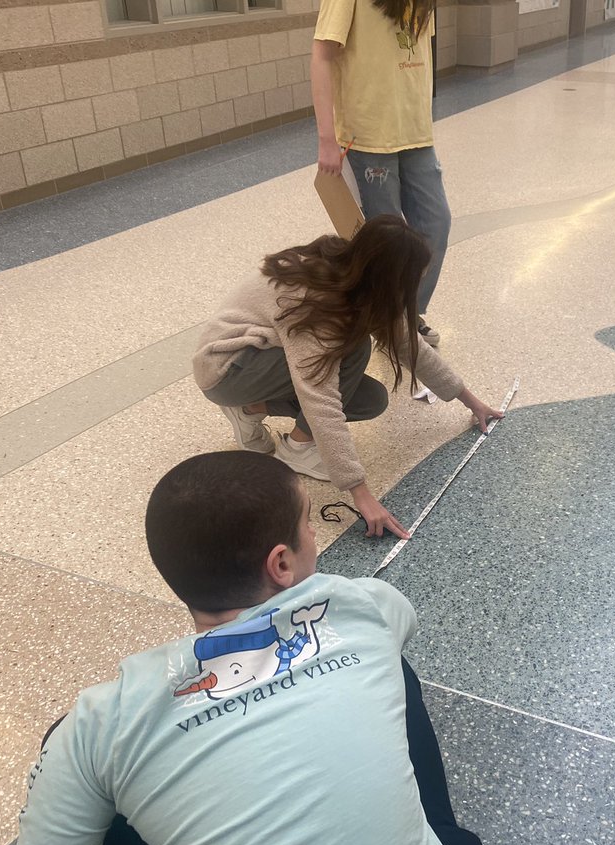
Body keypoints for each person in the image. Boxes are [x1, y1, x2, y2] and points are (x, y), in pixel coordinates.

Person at [5, 451, 490, 845]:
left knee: (101, 778)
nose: (316, 535)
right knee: (393, 670)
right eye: (308, 523)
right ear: (280, 562)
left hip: (113, 751)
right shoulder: (366, 607)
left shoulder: (97, 725)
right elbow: (398, 624)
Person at [193, 215, 503, 538]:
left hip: (259, 361)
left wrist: (471, 401)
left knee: (372, 400)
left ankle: (251, 408)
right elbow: (319, 399)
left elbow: (410, 345)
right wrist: (361, 493)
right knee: (354, 349)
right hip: (226, 368)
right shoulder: (318, 305)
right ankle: (297, 447)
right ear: (389, 279)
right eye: (412, 281)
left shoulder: (359, 273)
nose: (415, 290)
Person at [311, 0, 448, 346]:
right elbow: (321, 55)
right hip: (368, 139)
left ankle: (405, 313)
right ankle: (389, 324)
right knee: (383, 246)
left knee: (436, 224)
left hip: (416, 135)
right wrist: (327, 139)